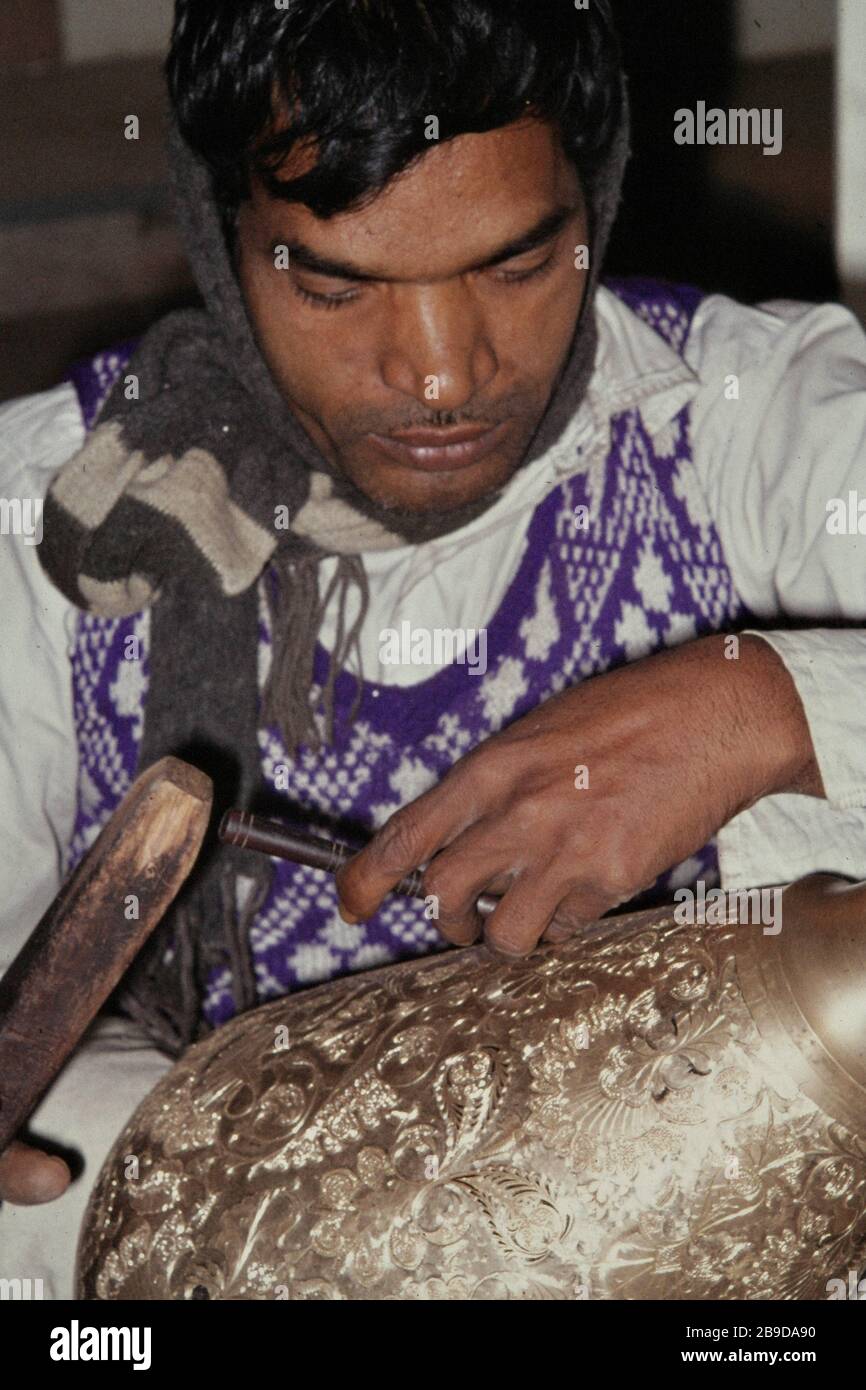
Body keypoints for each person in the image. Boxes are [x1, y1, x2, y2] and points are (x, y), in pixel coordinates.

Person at [1, 0, 864, 1298]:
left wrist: (777, 706)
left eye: (517, 264)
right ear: (217, 225)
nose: (442, 373)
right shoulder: (57, 523)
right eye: (333, 284)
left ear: (596, 192)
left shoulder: (744, 426)